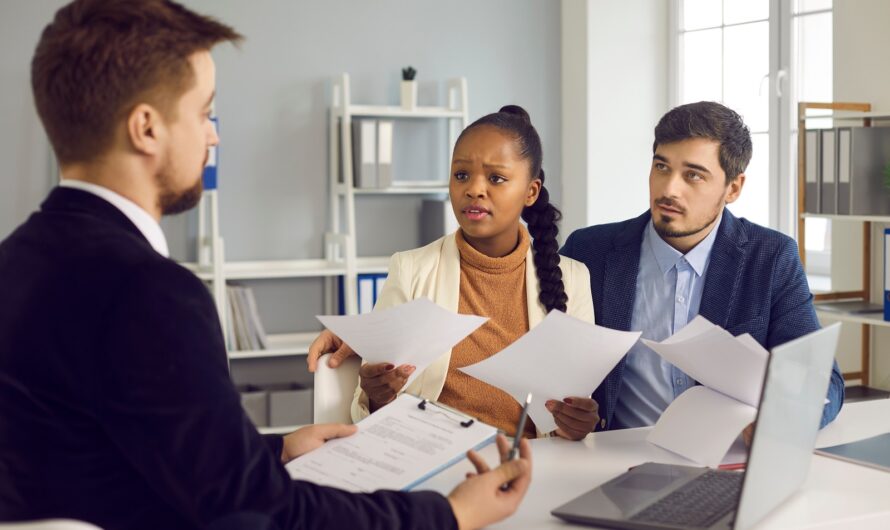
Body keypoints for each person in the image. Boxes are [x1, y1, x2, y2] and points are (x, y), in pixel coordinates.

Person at [0, 1, 531, 529]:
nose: (214, 136)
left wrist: (270, 449)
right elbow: (264, 509)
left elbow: (106, 442)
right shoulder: (151, 293)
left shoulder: (18, 260)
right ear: (146, 128)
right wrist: (448, 514)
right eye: (205, 113)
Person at [309, 106, 601, 440]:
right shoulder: (410, 269)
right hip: (429, 460)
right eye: (461, 175)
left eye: (496, 178)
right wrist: (378, 394)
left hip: (528, 466)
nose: (474, 189)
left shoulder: (574, 279)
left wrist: (575, 424)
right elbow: (371, 409)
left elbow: (570, 417)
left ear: (530, 192)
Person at [559, 101, 845, 433]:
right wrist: (570, 414)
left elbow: (824, 383)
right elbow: (552, 368)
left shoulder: (770, 258)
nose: (669, 189)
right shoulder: (590, 251)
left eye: (693, 175)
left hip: (723, 461)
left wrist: (778, 423)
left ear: (733, 188)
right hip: (613, 461)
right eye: (662, 167)